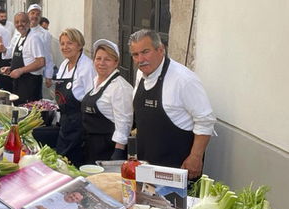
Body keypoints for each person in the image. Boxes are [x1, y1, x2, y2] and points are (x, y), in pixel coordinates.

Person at [129, 29, 215, 180]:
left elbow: (205, 120)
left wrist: (196, 157)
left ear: (161, 50)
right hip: (146, 166)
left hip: (176, 169)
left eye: (145, 52)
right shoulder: (140, 75)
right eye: (135, 54)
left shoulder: (184, 79)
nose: (140, 59)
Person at [81, 39, 133, 164]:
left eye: (107, 59)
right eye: (98, 59)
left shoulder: (120, 87)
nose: (101, 63)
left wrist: (118, 153)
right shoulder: (96, 81)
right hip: (91, 147)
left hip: (108, 150)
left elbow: (124, 123)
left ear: (116, 63)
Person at [52, 29, 96, 167]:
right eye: (62, 43)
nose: (65, 47)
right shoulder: (65, 64)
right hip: (65, 124)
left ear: (79, 45)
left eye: (69, 43)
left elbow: (92, 99)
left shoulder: (87, 67)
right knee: (62, 163)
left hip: (80, 127)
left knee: (73, 165)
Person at [0, 12, 45, 105]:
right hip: (19, 83)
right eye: (17, 22)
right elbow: (25, 59)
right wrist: (11, 69)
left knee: (29, 114)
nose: (19, 24)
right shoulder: (20, 38)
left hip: (30, 84)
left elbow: (40, 62)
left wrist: (20, 71)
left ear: (28, 23)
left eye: (23, 21)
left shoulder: (34, 38)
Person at [27, 4, 55, 90]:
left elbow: (48, 56)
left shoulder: (45, 34)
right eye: (33, 13)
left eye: (38, 14)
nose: (35, 16)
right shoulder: (21, 30)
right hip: (20, 74)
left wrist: (48, 76)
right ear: (28, 14)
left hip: (35, 75)